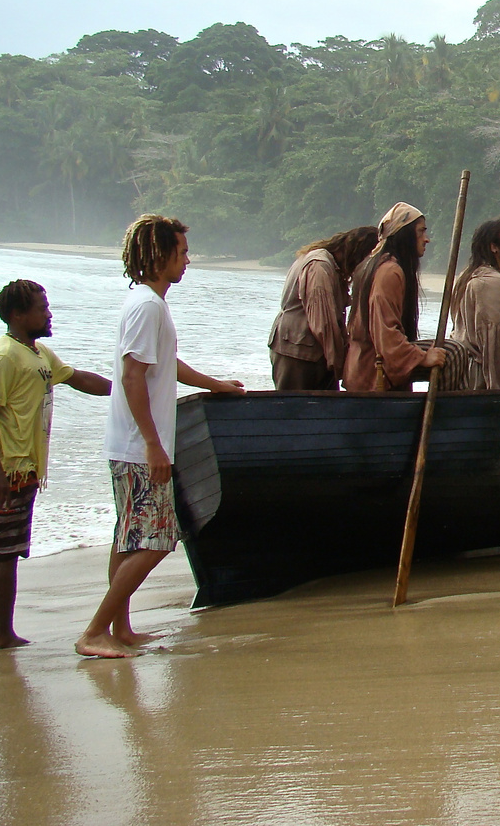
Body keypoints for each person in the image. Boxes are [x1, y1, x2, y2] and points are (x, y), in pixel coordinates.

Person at [76, 216, 246, 659]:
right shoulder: (147, 306)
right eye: (182, 252)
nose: (187, 260)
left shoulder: (148, 304)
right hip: (138, 445)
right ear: (159, 256)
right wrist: (152, 443)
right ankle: (95, 631)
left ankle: (120, 627)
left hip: (130, 442)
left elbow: (165, 365)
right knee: (156, 540)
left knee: (129, 538)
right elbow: (133, 377)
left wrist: (215, 385)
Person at [0, 281, 112, 653]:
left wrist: (125, 387)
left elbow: (76, 378)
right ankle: (2, 634)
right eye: (42, 308)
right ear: (18, 315)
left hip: (10, 466)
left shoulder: (36, 353)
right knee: (3, 551)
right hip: (8, 469)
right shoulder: (4, 355)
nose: (49, 313)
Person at [342, 202, 468, 392]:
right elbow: (386, 333)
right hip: (374, 367)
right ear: (405, 236)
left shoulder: (376, 265)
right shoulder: (389, 271)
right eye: (420, 232)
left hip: (372, 359)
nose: (426, 239)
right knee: (454, 353)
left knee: (444, 349)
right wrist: (423, 357)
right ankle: (438, 418)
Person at [268, 226, 378, 390]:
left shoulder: (325, 262)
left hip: (302, 349)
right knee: (294, 409)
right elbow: (324, 324)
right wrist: (341, 366)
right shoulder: (320, 266)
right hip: (299, 354)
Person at [450, 217, 500, 391]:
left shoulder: (466, 276)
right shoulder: (491, 283)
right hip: (480, 379)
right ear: (494, 247)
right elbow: (497, 343)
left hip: (461, 375)